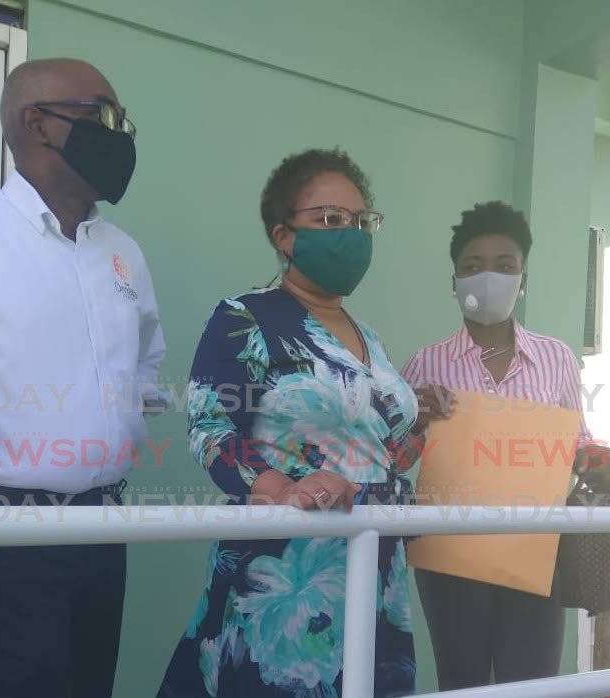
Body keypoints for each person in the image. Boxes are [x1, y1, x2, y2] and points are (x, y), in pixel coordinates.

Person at [0, 58, 166, 698]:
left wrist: (105, 420)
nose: (120, 133)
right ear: (36, 123)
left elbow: (147, 360)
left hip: (104, 523)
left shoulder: (121, 251)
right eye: (104, 114)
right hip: (1, 524)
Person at [157, 148, 419, 697]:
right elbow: (210, 429)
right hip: (288, 568)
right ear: (283, 235)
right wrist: (284, 488)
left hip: (376, 561)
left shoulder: (368, 336)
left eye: (360, 220)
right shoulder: (246, 317)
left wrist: (425, 435)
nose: (349, 232)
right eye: (328, 219)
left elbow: (379, 445)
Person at [400, 201, 610, 689]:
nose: (488, 278)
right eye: (472, 267)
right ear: (453, 280)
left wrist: (596, 458)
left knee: (532, 682)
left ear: (524, 278)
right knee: (463, 680)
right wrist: (415, 420)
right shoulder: (424, 364)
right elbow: (396, 455)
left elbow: (576, 440)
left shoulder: (556, 357)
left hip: (534, 549)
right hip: (452, 556)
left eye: (505, 266)